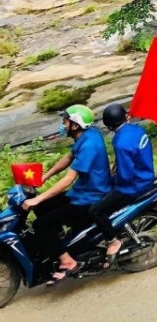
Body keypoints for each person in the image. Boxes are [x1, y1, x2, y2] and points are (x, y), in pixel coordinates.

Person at [22, 105, 112, 283]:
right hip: (81, 192)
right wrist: (45, 176)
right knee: (42, 208)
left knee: (41, 224)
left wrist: (38, 197)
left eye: (65, 121)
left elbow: (68, 179)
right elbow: (69, 158)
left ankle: (68, 262)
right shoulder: (88, 134)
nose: (62, 125)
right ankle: (61, 245)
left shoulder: (89, 145)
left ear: (75, 125)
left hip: (90, 198)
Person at [87, 104, 156, 267]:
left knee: (96, 211)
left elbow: (125, 175)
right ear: (127, 117)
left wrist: (112, 181)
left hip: (134, 186)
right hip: (145, 175)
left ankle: (112, 241)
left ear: (108, 126)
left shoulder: (120, 142)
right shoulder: (136, 130)